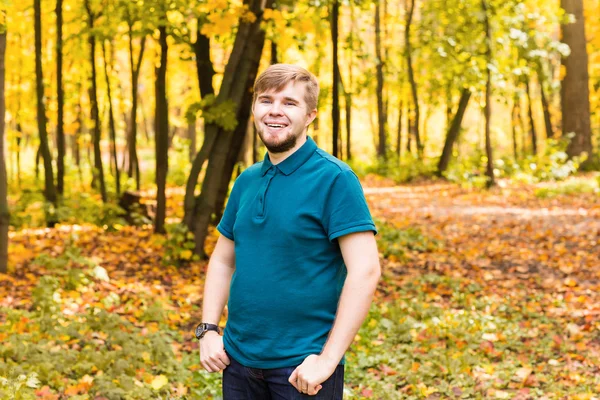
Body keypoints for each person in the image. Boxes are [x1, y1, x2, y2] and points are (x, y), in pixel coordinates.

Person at [197, 64, 380, 399]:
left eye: (289, 103)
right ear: (254, 109)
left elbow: (365, 270)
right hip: (237, 363)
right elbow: (224, 260)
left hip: (301, 370)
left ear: (311, 115)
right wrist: (208, 329)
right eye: (266, 100)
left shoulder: (335, 179)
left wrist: (327, 360)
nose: (275, 111)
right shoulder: (247, 180)